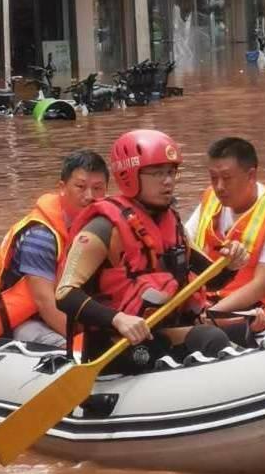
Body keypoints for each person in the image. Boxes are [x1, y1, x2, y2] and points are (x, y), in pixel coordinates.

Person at [54, 129, 248, 370]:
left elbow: (212, 281)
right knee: (210, 338)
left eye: (171, 172)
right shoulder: (102, 229)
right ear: (129, 176)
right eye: (157, 173)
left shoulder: (171, 223)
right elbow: (64, 294)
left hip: (161, 331)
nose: (168, 181)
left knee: (241, 330)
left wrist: (231, 266)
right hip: (115, 342)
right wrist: (118, 319)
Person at [0, 150, 109, 346]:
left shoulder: (103, 228)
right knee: (55, 342)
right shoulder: (40, 236)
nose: (89, 196)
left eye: (98, 188)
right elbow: (45, 304)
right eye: (80, 187)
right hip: (24, 321)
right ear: (62, 188)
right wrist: (84, 345)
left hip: (68, 310)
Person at [185, 137, 265, 338]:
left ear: (251, 175)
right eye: (213, 178)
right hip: (209, 302)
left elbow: (260, 286)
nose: (219, 186)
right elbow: (184, 243)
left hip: (256, 309)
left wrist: (210, 316)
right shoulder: (210, 200)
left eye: (227, 178)